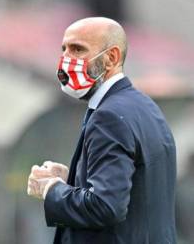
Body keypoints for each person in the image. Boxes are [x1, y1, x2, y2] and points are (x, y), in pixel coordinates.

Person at [27, 17, 177, 244]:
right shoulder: (144, 105)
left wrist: (51, 189)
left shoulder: (108, 116)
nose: (66, 60)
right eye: (64, 49)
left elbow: (106, 206)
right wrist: (75, 179)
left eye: (78, 49)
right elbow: (136, 187)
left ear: (111, 58)